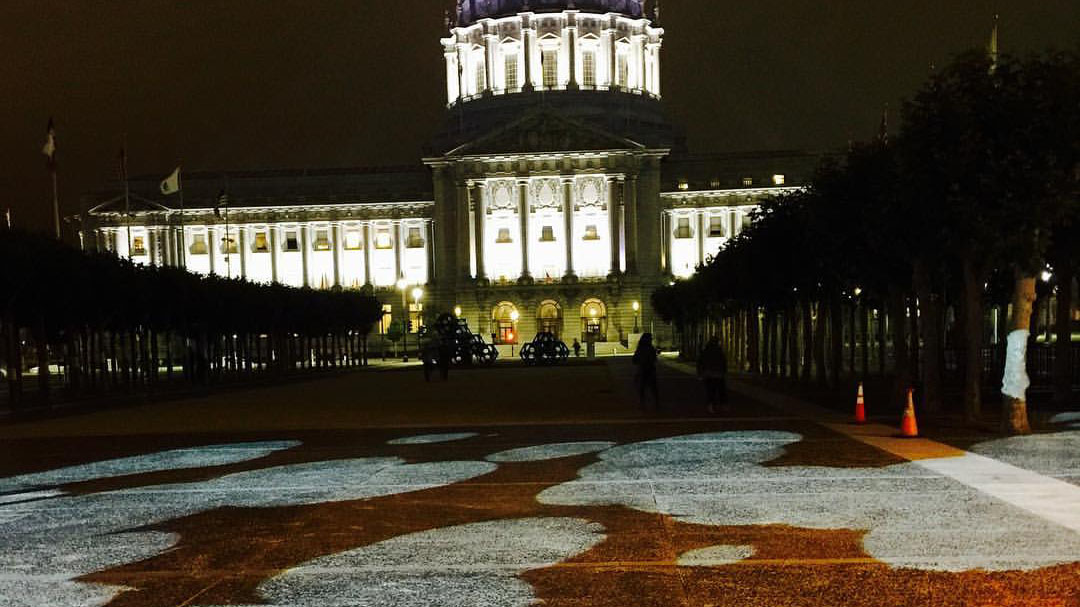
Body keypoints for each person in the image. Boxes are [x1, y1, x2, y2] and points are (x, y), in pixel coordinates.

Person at [697, 336, 728, 414]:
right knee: (721, 391)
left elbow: (701, 363)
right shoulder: (719, 351)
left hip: (709, 374)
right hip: (719, 374)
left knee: (711, 391)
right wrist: (724, 371)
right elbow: (723, 362)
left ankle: (711, 406)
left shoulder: (706, 351)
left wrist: (700, 373)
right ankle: (722, 405)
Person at [632, 333, 660, 410]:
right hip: (650, 370)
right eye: (650, 339)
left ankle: (642, 403)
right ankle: (656, 403)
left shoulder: (640, 348)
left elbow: (634, 360)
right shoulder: (651, 348)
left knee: (642, 388)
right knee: (653, 388)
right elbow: (654, 359)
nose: (651, 340)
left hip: (643, 370)